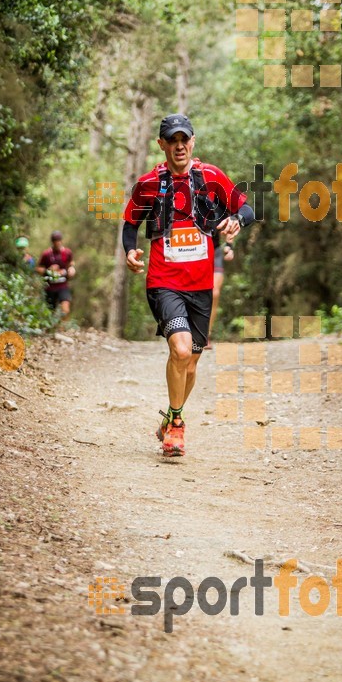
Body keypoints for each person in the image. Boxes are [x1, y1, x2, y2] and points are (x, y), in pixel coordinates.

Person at [122, 113, 255, 457]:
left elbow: (248, 207)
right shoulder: (149, 183)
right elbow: (129, 223)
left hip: (200, 284)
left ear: (192, 142)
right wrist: (130, 250)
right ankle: (178, 426)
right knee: (179, 351)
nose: (179, 146)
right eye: (172, 140)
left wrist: (237, 220)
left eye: (184, 139)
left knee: (192, 362)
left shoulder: (210, 177)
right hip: (163, 281)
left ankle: (170, 414)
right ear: (162, 144)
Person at [36, 231, 75, 320]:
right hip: (50, 287)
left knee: (65, 309)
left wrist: (71, 269)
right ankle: (53, 329)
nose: (57, 242)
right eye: (55, 240)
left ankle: (64, 328)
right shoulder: (46, 254)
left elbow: (71, 264)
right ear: (52, 242)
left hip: (63, 285)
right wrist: (48, 270)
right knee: (50, 313)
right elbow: (38, 268)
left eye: (58, 240)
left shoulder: (67, 252)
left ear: (61, 241)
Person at [205, 233, 234, 348]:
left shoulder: (219, 214)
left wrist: (229, 246)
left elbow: (230, 224)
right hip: (191, 254)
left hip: (214, 251)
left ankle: (206, 334)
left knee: (214, 293)